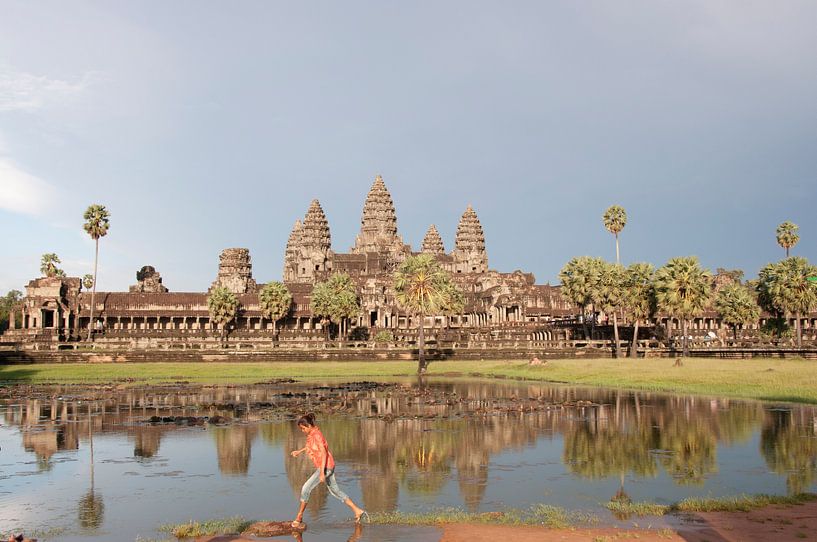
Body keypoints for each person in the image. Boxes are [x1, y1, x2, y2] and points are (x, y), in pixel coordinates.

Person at [290, 413, 367, 528]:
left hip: (325, 467)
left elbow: (324, 453)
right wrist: (299, 451)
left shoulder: (317, 435)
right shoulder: (312, 434)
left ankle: (299, 517)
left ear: (309, 426)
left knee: (306, 488)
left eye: (303, 428)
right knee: (336, 491)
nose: (302, 431)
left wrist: (322, 472)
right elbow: (310, 446)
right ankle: (357, 511)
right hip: (327, 466)